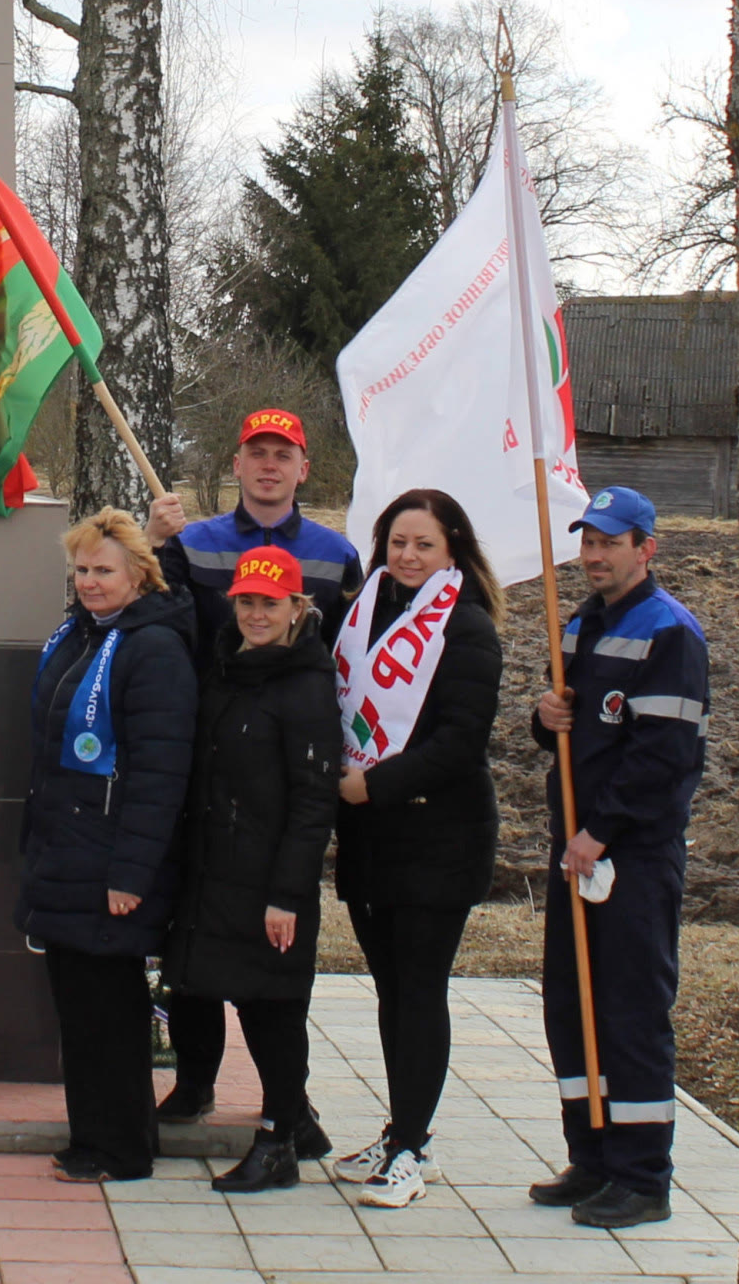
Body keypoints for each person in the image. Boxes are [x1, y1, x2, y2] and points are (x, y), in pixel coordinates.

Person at [146, 406, 361, 1131]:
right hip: (207, 752)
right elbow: (159, 620)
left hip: (285, 758)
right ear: (235, 465)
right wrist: (151, 545)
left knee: (273, 951)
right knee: (193, 939)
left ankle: (286, 1103)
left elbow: (362, 656)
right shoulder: (193, 544)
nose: (270, 465)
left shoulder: (337, 556)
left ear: (304, 468)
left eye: (284, 454)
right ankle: (196, 1081)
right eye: (257, 453)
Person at [528, 487, 709, 1230]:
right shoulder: (575, 625)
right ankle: (592, 1156)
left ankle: (643, 1176)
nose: (595, 556)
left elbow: (663, 760)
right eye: (588, 542)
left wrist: (599, 832)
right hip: (577, 851)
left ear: (645, 548)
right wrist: (546, 719)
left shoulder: (671, 633)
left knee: (630, 1012)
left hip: (628, 858)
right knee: (573, 1011)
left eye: (610, 542)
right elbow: (573, 736)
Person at [331, 486, 503, 1208]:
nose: (407, 556)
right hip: (371, 835)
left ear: (452, 550)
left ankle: (411, 1149)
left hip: (438, 834)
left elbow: (461, 741)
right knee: (391, 989)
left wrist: (376, 786)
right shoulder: (363, 612)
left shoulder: (466, 629)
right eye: (398, 542)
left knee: (419, 988)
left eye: (423, 544)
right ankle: (403, 1127)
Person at [19, 509, 196, 1184]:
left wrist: (131, 872)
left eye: (103, 571)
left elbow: (160, 773)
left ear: (138, 575)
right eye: (82, 570)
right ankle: (91, 1136)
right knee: (81, 1008)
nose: (90, 582)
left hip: (111, 861)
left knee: (111, 1012)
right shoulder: (80, 634)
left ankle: (122, 1147)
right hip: (66, 849)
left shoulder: (153, 648)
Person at [165, 547, 342, 1194]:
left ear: (298, 607)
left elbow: (313, 800)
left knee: (272, 1009)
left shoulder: (306, 685)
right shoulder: (224, 667)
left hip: (269, 882)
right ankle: (294, 1123)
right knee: (207, 989)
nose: (256, 614)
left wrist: (287, 894)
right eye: (246, 601)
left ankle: (277, 1142)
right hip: (215, 869)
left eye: (270, 603)